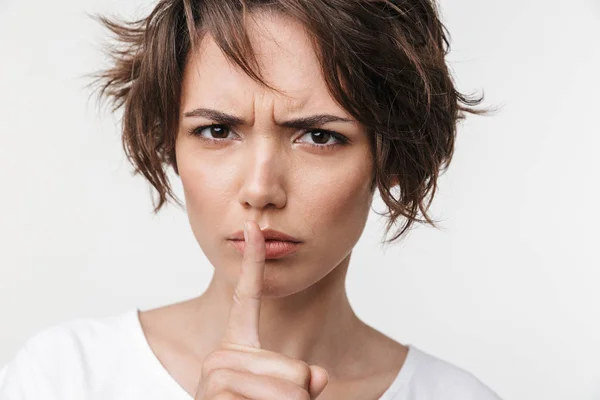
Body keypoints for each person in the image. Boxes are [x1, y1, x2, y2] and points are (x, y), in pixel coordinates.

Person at [0, 0, 502, 399]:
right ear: (168, 142)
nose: (260, 190)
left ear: (391, 156)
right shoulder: (64, 378)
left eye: (319, 137)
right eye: (216, 130)